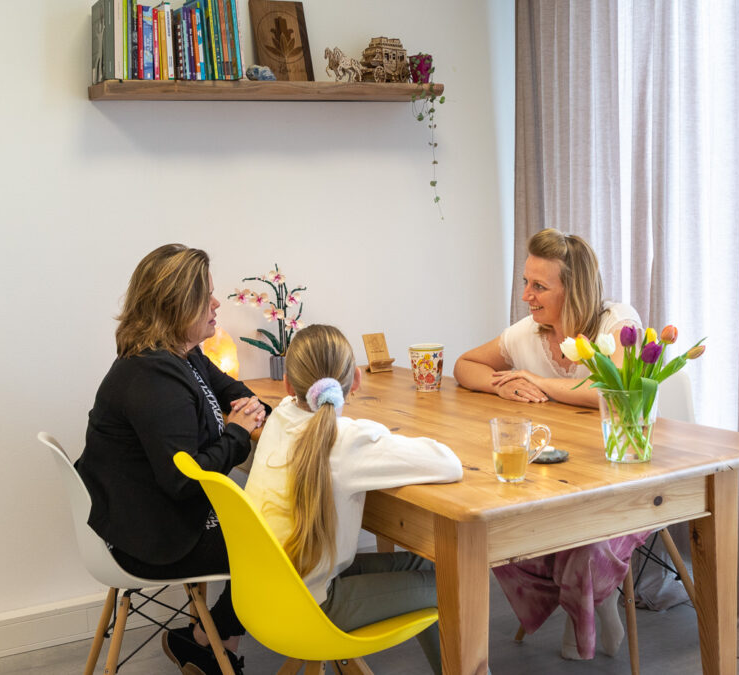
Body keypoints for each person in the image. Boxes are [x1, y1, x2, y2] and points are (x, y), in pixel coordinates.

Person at [453, 227, 647, 661]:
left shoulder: (618, 323)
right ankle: (584, 604)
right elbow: (465, 365)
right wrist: (502, 386)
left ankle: (590, 607)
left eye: (539, 286)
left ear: (573, 291)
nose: (526, 295)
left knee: (586, 534)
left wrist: (538, 381)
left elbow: (610, 390)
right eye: (526, 282)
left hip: (626, 466)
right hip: (559, 470)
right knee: (499, 521)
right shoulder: (529, 333)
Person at [76, 244, 268, 675]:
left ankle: (207, 641)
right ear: (176, 305)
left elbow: (233, 391)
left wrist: (256, 411)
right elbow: (185, 481)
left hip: (142, 515)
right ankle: (211, 639)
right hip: (149, 537)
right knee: (288, 539)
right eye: (206, 298)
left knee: (276, 524)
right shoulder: (152, 376)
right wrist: (238, 432)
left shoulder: (183, 356)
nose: (217, 305)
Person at [245, 324, 463, 674]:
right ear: (356, 380)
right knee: (457, 586)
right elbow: (449, 463)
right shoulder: (348, 440)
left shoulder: (280, 415)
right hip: (311, 607)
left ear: (288, 385)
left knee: (428, 568)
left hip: (263, 595)